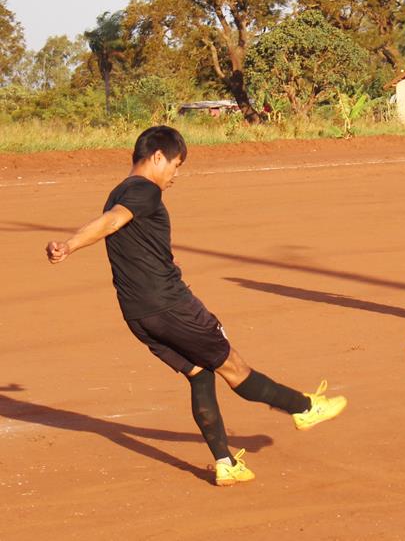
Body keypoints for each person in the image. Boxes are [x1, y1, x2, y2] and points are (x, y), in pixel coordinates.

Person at [45, 126, 347, 487]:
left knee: (199, 373)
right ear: (157, 157)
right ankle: (305, 409)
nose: (176, 174)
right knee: (233, 367)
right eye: (176, 164)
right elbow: (111, 223)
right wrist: (70, 244)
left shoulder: (118, 192)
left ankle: (225, 462)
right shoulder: (144, 190)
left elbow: (113, 220)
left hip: (138, 314)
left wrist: (72, 244)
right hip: (172, 305)